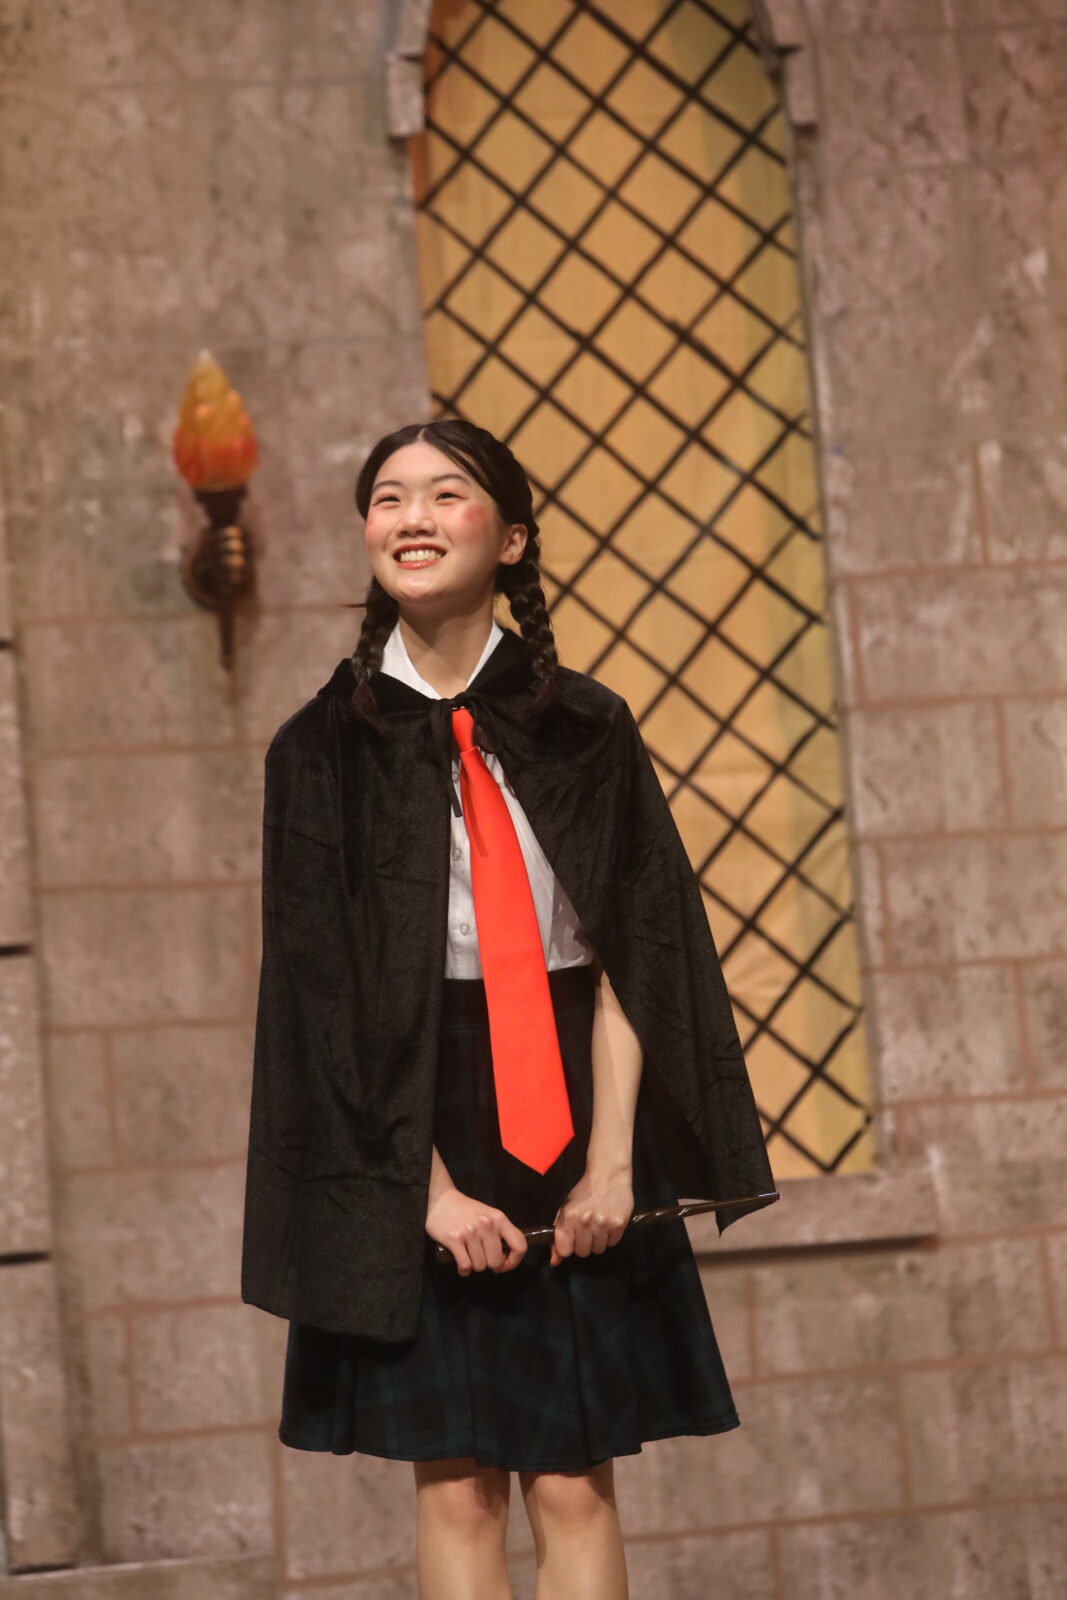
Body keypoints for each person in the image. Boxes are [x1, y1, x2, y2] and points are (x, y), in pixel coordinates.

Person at [242, 417, 779, 1600]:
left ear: (513, 537)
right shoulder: (319, 750)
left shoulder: (584, 727)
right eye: (388, 497)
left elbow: (640, 951)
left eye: (446, 493)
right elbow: (321, 1002)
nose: (412, 517)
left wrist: (611, 1166)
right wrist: (423, 1191)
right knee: (457, 1484)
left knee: (574, 1479)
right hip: (407, 1109)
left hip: (577, 1093)